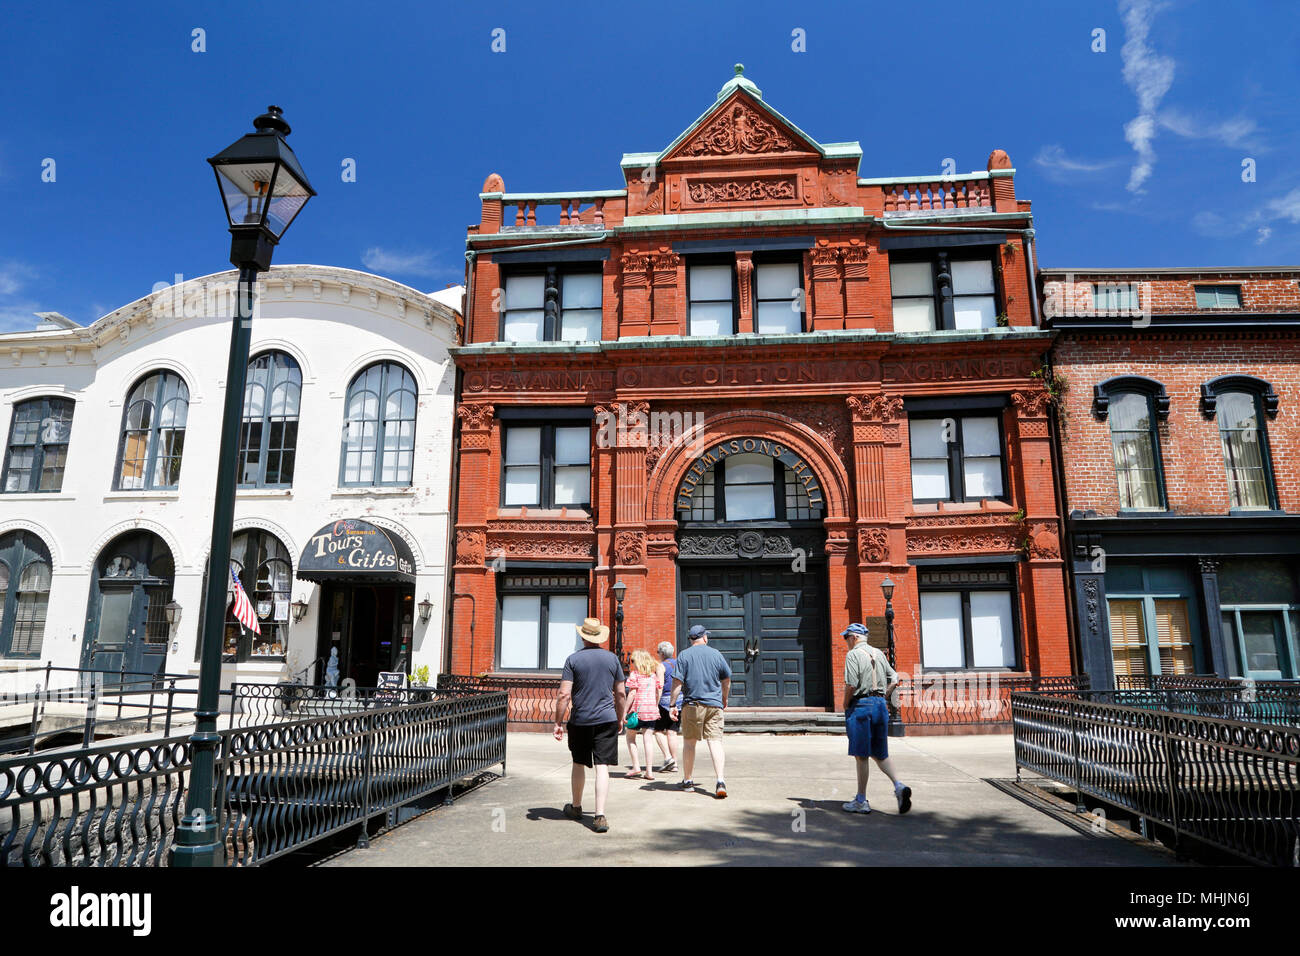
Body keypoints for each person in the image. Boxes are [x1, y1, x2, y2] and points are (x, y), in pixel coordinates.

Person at [554, 617, 627, 833]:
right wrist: (620, 717)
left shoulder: (573, 660)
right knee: (602, 766)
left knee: (578, 763)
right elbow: (621, 693)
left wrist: (558, 722)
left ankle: (576, 807)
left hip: (581, 720)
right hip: (606, 719)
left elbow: (564, 694)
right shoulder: (612, 659)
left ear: (583, 636)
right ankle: (600, 815)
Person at [839, 623, 911, 815]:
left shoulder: (853, 655)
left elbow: (851, 684)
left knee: (861, 755)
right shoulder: (878, 653)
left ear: (854, 637)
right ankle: (899, 786)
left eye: (846, 637)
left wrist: (845, 704)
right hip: (879, 705)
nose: (845, 641)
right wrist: (883, 696)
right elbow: (894, 678)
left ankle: (861, 800)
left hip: (861, 706)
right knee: (880, 753)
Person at [668, 624, 731, 798]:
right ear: (704, 637)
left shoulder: (684, 655)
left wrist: (672, 705)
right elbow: (726, 680)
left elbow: (677, 683)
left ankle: (688, 781)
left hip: (692, 705)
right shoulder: (716, 654)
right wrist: (724, 698)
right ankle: (720, 781)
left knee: (689, 743)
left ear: (691, 639)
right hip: (714, 705)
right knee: (715, 742)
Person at [623, 649, 663, 780]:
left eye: (633, 661)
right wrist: (655, 705)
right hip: (651, 711)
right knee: (648, 740)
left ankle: (636, 766)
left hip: (637, 712)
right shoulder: (653, 676)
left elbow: (632, 694)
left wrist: (624, 711)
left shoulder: (635, 675)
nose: (632, 663)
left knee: (630, 738)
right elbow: (658, 693)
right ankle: (649, 771)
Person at [652, 641, 679, 773]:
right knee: (672, 732)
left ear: (662, 653)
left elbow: (660, 686)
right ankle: (675, 763)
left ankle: (668, 758)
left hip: (664, 702)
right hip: (678, 701)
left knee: (657, 730)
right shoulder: (679, 664)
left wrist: (655, 704)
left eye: (658, 652)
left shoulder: (661, 666)